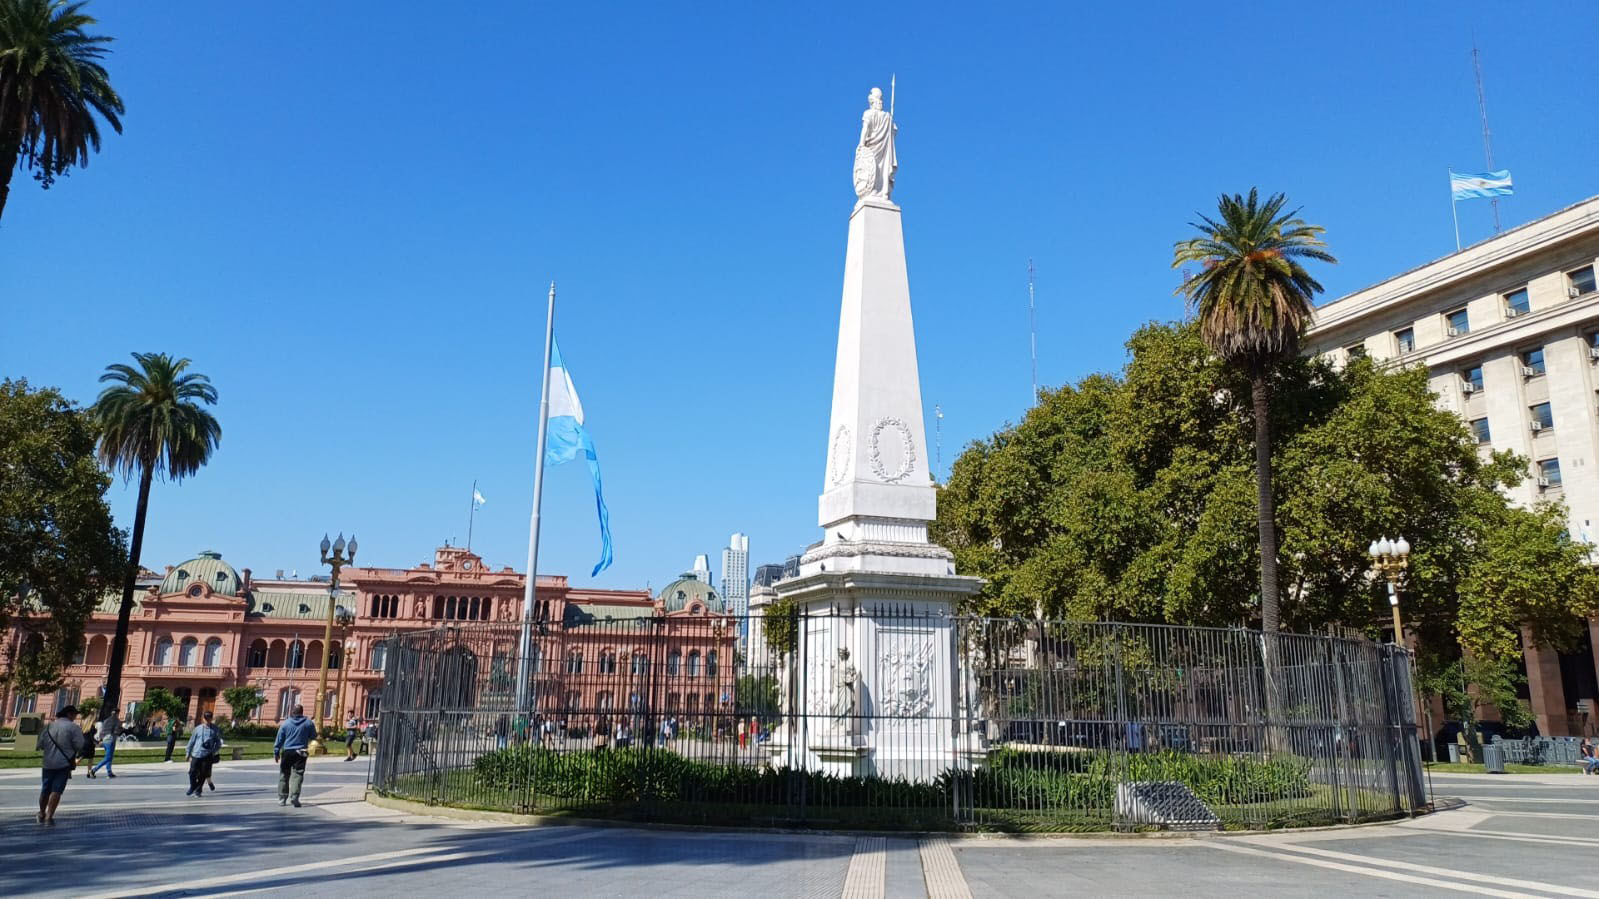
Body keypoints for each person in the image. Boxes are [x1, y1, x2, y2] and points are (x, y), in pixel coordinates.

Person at [38, 705, 87, 826]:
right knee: (57, 790)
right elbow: (80, 745)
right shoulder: (73, 727)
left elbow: (40, 744)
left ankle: (41, 813)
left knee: (45, 789)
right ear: (69, 714)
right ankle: (49, 817)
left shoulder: (49, 726)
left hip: (48, 763)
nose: (76, 717)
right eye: (75, 714)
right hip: (63, 764)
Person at [273, 704, 317, 807]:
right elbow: (313, 735)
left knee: (284, 774)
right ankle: (294, 797)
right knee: (298, 774)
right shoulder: (308, 723)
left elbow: (279, 739)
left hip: (288, 751)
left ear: (293, 712)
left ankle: (282, 798)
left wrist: (276, 752)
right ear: (302, 712)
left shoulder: (286, 723)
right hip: (301, 752)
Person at [185, 711, 222, 797]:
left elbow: (218, 743)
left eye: (209, 719)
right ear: (203, 719)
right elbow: (191, 741)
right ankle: (193, 786)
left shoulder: (215, 729)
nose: (207, 721)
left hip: (207, 755)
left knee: (203, 774)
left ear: (211, 719)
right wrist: (188, 752)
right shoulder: (197, 729)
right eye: (206, 719)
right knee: (192, 772)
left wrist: (213, 751)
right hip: (196, 754)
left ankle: (198, 790)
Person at [87, 710, 121, 778]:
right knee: (108, 757)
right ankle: (93, 770)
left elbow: (102, 731)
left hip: (105, 740)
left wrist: (101, 739)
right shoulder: (116, 720)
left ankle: (109, 772)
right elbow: (116, 731)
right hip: (111, 739)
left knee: (109, 757)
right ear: (117, 713)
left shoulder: (106, 720)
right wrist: (120, 730)